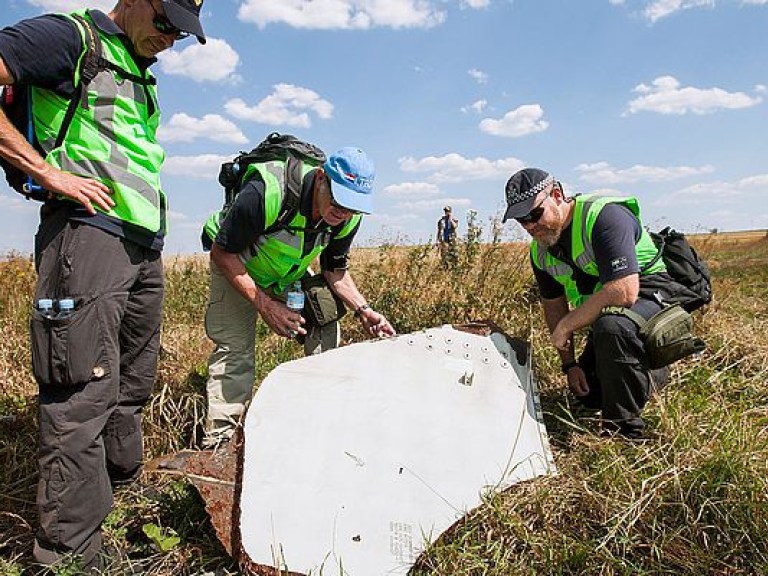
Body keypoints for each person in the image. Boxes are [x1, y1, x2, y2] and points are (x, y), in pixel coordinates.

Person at [0, 0, 206, 569]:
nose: (171, 38)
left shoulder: (138, 69)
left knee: (130, 383)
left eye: (182, 33)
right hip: (87, 236)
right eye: (165, 22)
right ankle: (67, 555)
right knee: (79, 393)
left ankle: (114, 499)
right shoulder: (72, 38)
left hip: (142, 245)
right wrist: (44, 170)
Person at [200, 146, 396, 447]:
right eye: (339, 201)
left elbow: (335, 271)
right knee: (236, 350)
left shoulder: (347, 218)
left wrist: (364, 310)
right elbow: (222, 252)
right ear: (320, 178)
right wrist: (265, 306)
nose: (342, 213)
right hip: (237, 263)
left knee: (326, 314)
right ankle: (219, 445)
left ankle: (318, 414)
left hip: (284, 273)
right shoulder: (267, 192)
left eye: (353, 207)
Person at [502, 168, 690, 439]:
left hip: (651, 294)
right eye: (522, 221)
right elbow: (554, 307)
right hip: (607, 312)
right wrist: (570, 365)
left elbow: (624, 292)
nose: (530, 226)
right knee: (592, 392)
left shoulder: (603, 217)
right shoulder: (541, 251)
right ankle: (649, 370)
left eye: (534, 214)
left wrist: (568, 325)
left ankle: (623, 432)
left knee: (612, 327)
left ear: (556, 195)